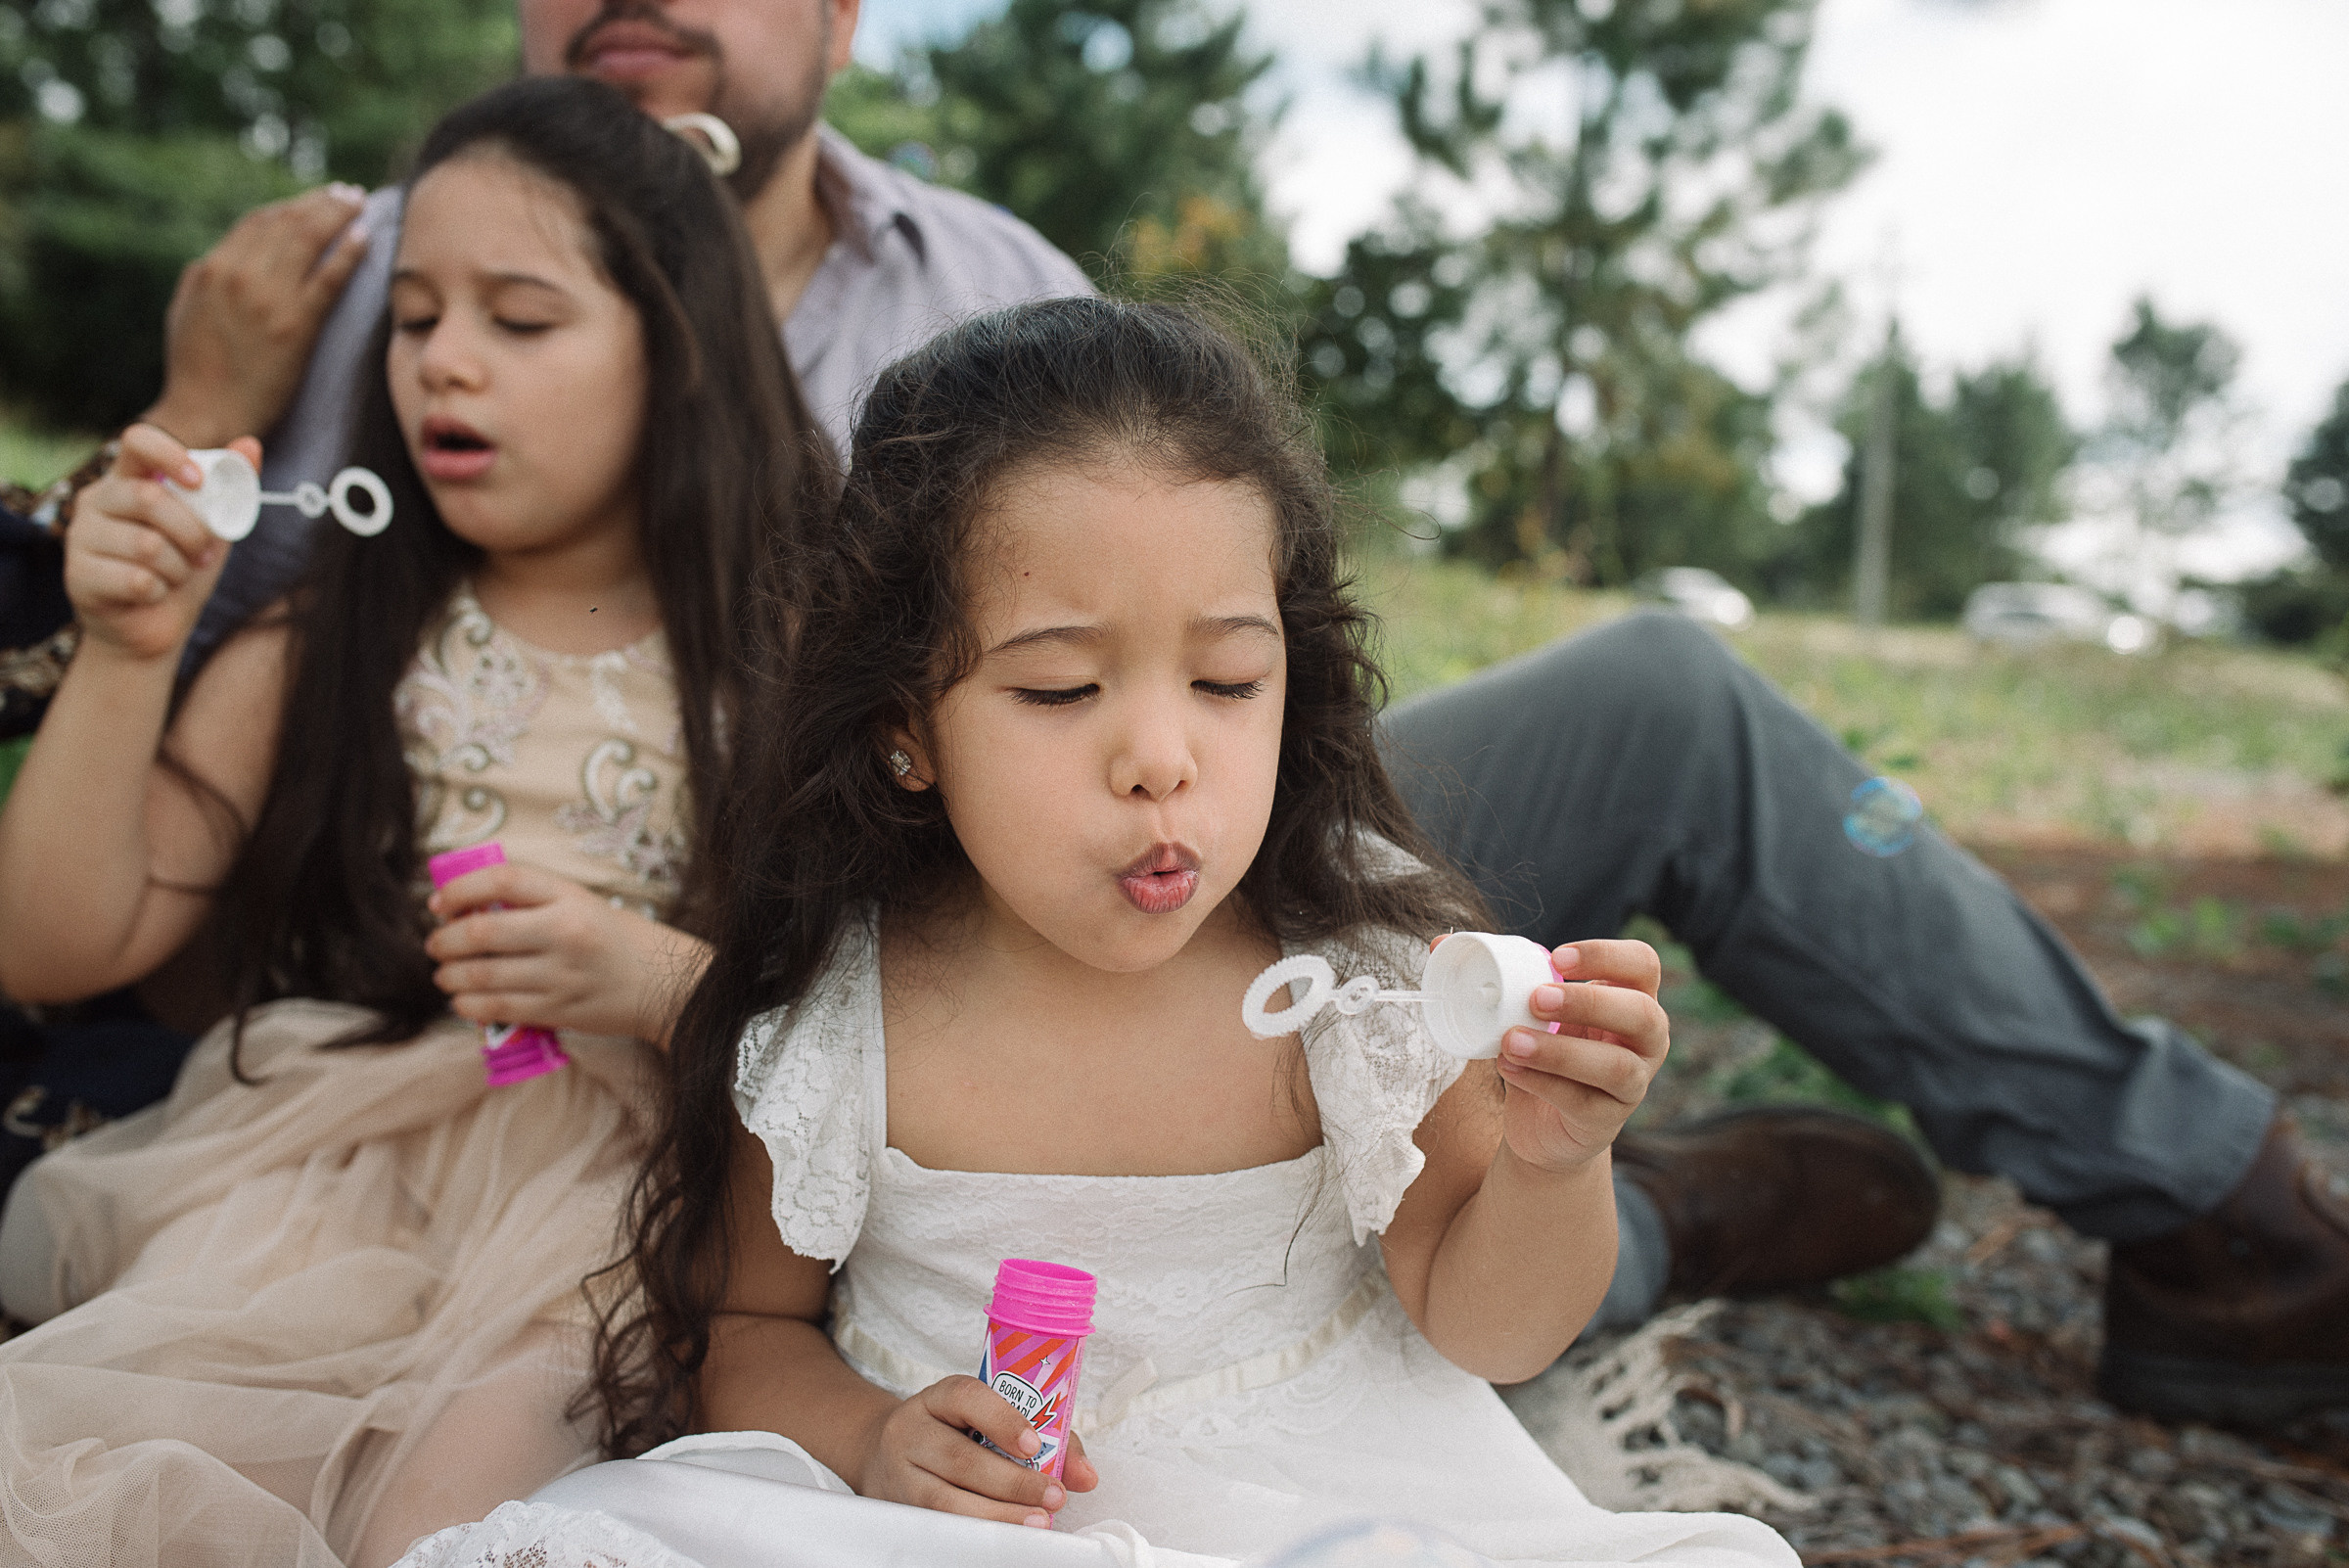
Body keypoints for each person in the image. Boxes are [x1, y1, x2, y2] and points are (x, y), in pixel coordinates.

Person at [63, 0, 2345, 1430]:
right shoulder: (413, 287)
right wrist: (193, 435)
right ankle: (1650, 1228)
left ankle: (2220, 1215)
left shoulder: (992, 287)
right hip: (821, 939)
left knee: (1621, 710)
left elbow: (1194, 576)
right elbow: (305, 657)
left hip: (1138, 834)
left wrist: (1184, 718)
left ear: (844, 16)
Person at [396, 294, 1800, 1568]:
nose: (1159, 756)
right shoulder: (849, 1001)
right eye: (1062, 688)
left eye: (1226, 677)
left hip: (1322, 1487)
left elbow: (1487, 1324)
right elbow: (747, 1327)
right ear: (906, 730)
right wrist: (874, 1434)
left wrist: (1556, 1163)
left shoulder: (1353, 970)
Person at [0, 76, 830, 1566]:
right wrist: (130, 652)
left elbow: (884, 1015)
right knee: (107, 1466)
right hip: (311, 1181)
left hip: (623, 1205)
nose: (445, 363)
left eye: (519, 320)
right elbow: (56, 941)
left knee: (442, 1510)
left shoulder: (791, 659)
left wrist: (646, 976)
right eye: (415, 316)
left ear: (679, 348)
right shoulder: (335, 631)